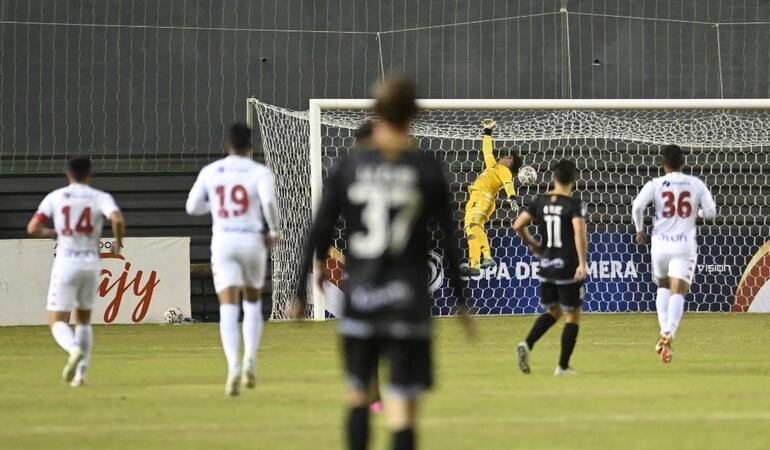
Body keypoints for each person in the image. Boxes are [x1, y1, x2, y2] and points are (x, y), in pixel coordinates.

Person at [295, 75, 473, 450]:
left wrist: (300, 289)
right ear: (415, 114)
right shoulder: (426, 168)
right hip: (408, 303)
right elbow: (450, 238)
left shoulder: (350, 165)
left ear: (374, 112)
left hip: (362, 298)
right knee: (402, 410)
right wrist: (461, 299)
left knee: (360, 395)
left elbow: (319, 229)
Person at [186, 123, 281, 396]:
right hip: (252, 241)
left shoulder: (211, 171)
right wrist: (274, 230)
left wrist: (214, 206)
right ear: (250, 146)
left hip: (224, 241)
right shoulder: (259, 172)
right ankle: (250, 358)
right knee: (252, 302)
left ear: (227, 145)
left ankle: (233, 367)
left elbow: (192, 207)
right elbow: (269, 203)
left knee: (228, 306)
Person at [26, 157, 125, 387]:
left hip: (66, 263)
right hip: (90, 264)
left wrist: (51, 233)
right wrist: (118, 242)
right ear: (90, 174)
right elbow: (117, 218)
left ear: (68, 174)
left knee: (56, 320)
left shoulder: (56, 197)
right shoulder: (100, 197)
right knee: (83, 321)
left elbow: (32, 227)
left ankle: (73, 349)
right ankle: (81, 376)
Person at [632, 144, 716, 363]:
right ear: (683, 163)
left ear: (664, 165)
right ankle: (669, 331)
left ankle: (663, 332)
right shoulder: (695, 183)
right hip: (684, 246)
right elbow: (711, 213)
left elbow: (637, 207)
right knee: (678, 291)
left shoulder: (655, 184)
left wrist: (640, 230)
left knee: (662, 286)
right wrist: (695, 212)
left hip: (660, 245)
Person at [513, 160, 588, 376]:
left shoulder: (540, 201)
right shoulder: (574, 204)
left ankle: (526, 344)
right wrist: (582, 264)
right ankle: (562, 367)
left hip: (546, 266)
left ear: (553, 178)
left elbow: (518, 225)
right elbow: (579, 233)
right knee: (572, 316)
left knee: (553, 311)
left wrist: (534, 244)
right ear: (574, 180)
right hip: (566, 267)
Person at [462, 118, 523, 277]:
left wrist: (512, 197)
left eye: (507, 156)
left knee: (475, 225)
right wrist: (488, 131)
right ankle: (474, 264)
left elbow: (508, 183)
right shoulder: (493, 166)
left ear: (510, 161)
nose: (503, 156)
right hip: (474, 198)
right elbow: (487, 151)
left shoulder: (504, 170)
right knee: (470, 230)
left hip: (484, 197)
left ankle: (488, 256)